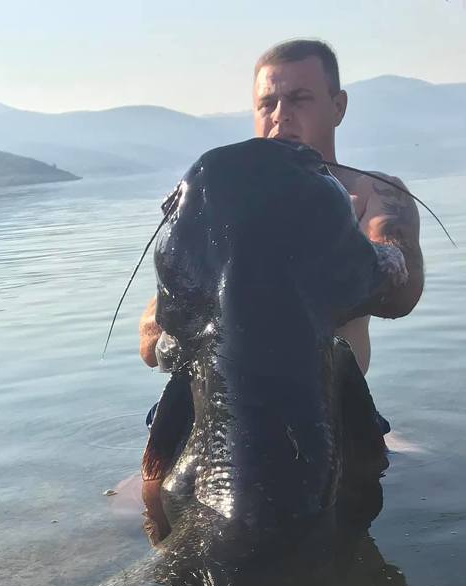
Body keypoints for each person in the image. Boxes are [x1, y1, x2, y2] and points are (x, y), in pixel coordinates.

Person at [138, 38, 424, 377]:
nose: (280, 115)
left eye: (299, 100)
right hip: (218, 412)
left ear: (338, 107)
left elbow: (403, 294)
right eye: (266, 103)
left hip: (332, 416)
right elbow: (149, 347)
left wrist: (326, 240)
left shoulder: (374, 191)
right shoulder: (220, 206)